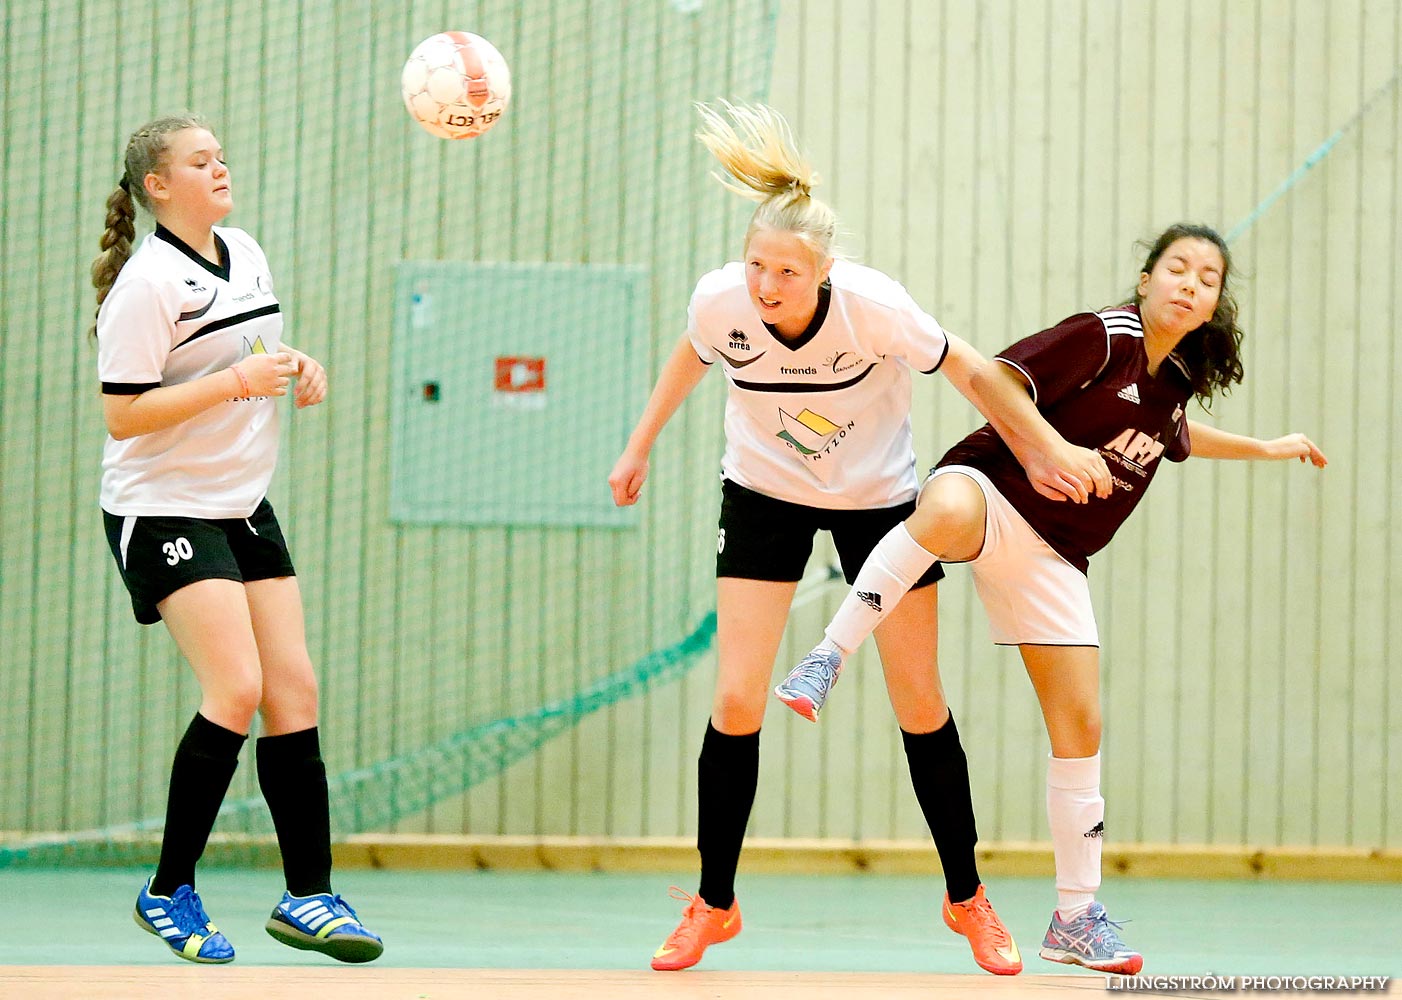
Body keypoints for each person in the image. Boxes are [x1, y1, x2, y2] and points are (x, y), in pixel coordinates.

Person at [778, 222, 1328, 975]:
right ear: (1147, 279)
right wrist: (1053, 450)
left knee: (1081, 725)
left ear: (1214, 304)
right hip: (991, 492)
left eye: (1208, 276)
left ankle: (1074, 917)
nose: (1191, 282)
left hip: (1058, 554)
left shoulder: (1175, 380)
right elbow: (999, 381)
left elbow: (1176, 437)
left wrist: (1264, 447)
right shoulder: (1102, 336)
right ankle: (824, 659)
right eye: (1177, 267)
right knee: (938, 515)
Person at [608, 101, 1022, 976]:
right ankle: (713, 904)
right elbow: (692, 353)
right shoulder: (722, 299)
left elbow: (973, 369)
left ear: (825, 270)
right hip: (763, 494)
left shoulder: (875, 309)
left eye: (786, 273)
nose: (765, 285)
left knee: (919, 702)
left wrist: (1041, 447)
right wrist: (638, 444)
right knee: (736, 702)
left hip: (877, 502)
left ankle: (967, 898)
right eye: (757, 264)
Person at [90, 114, 383, 965]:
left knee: (294, 689)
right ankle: (167, 889)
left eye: (220, 155)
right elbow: (123, 413)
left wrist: (294, 363)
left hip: (241, 501)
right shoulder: (145, 285)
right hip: (164, 505)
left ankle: (309, 896)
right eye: (199, 160)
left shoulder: (244, 249)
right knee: (238, 686)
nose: (220, 168)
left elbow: (250, 348)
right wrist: (233, 383)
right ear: (157, 185)